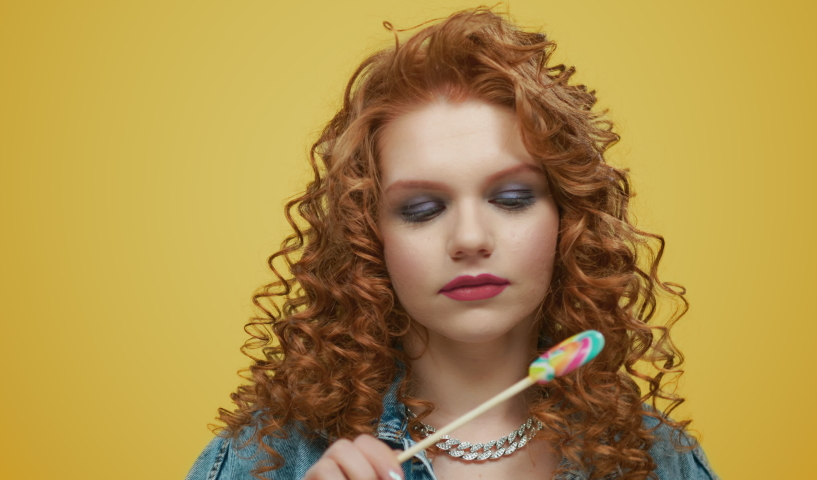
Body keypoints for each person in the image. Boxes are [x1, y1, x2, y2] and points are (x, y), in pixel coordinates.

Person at [186, 7, 718, 480]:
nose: (469, 239)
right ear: (371, 238)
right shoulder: (260, 462)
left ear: (568, 219)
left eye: (511, 198)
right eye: (421, 209)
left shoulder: (661, 463)